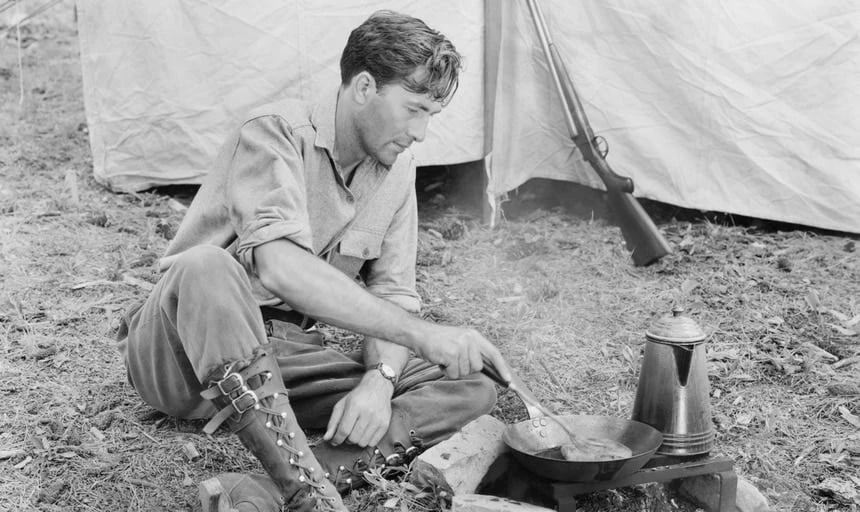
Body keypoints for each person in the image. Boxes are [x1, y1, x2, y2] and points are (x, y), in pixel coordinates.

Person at [116, 10, 513, 512]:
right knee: (206, 266)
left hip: (280, 357)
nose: (421, 133)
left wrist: (379, 381)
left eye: (430, 116)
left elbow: (393, 293)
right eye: (414, 109)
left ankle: (273, 488)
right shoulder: (275, 132)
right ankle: (309, 494)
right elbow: (279, 267)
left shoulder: (397, 170)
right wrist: (423, 334)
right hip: (182, 350)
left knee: (471, 385)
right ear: (365, 87)